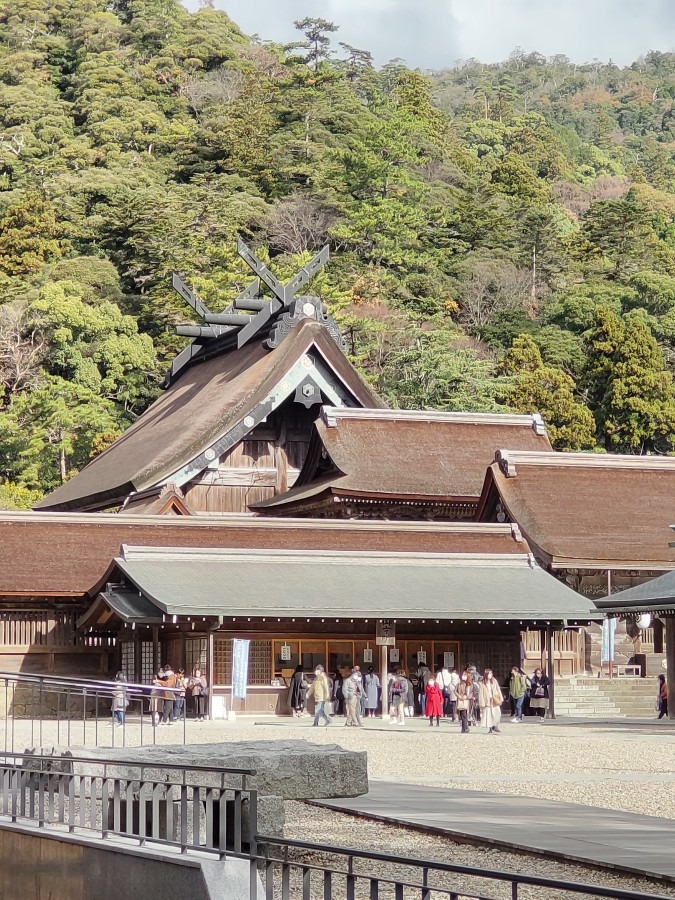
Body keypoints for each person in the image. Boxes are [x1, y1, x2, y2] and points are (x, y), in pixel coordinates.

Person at [479, 668, 503, 734]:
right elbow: (481, 694)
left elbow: (498, 689)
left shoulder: (494, 681)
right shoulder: (482, 683)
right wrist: (482, 702)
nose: (490, 675)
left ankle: (495, 725)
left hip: (494, 699)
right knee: (489, 715)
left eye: (491, 673)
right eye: (489, 673)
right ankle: (490, 727)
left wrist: (500, 698)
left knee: (497, 713)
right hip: (487, 700)